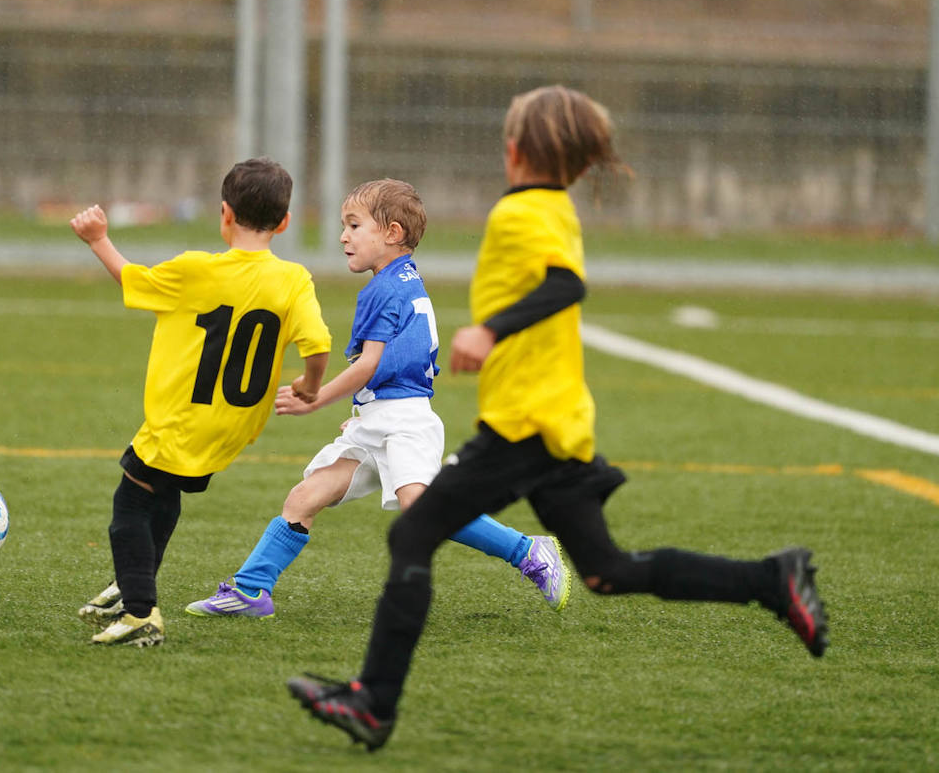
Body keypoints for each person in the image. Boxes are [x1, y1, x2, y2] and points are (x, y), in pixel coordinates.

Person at [286, 86, 829, 749]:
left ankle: (373, 703)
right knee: (605, 569)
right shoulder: (552, 208)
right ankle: (774, 581)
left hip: (526, 425)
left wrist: (489, 330)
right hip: (556, 421)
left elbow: (566, 284)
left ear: (516, 150)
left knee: (412, 535)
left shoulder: (523, 212)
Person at [183, 178, 570, 620]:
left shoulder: (383, 289)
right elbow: (390, 365)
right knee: (306, 497)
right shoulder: (403, 280)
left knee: (420, 506)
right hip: (382, 419)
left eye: (354, 225)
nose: (343, 236)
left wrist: (315, 398)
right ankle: (252, 590)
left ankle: (529, 552)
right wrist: (367, 410)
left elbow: (368, 364)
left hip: (404, 422)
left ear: (392, 233)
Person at [71, 157, 332, 647]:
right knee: (162, 494)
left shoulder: (195, 269)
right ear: (285, 222)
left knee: (129, 503)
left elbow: (132, 279)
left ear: (225, 214)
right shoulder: (294, 279)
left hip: (179, 420)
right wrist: (310, 388)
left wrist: (97, 239)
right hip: (231, 429)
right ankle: (131, 581)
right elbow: (317, 346)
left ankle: (140, 613)